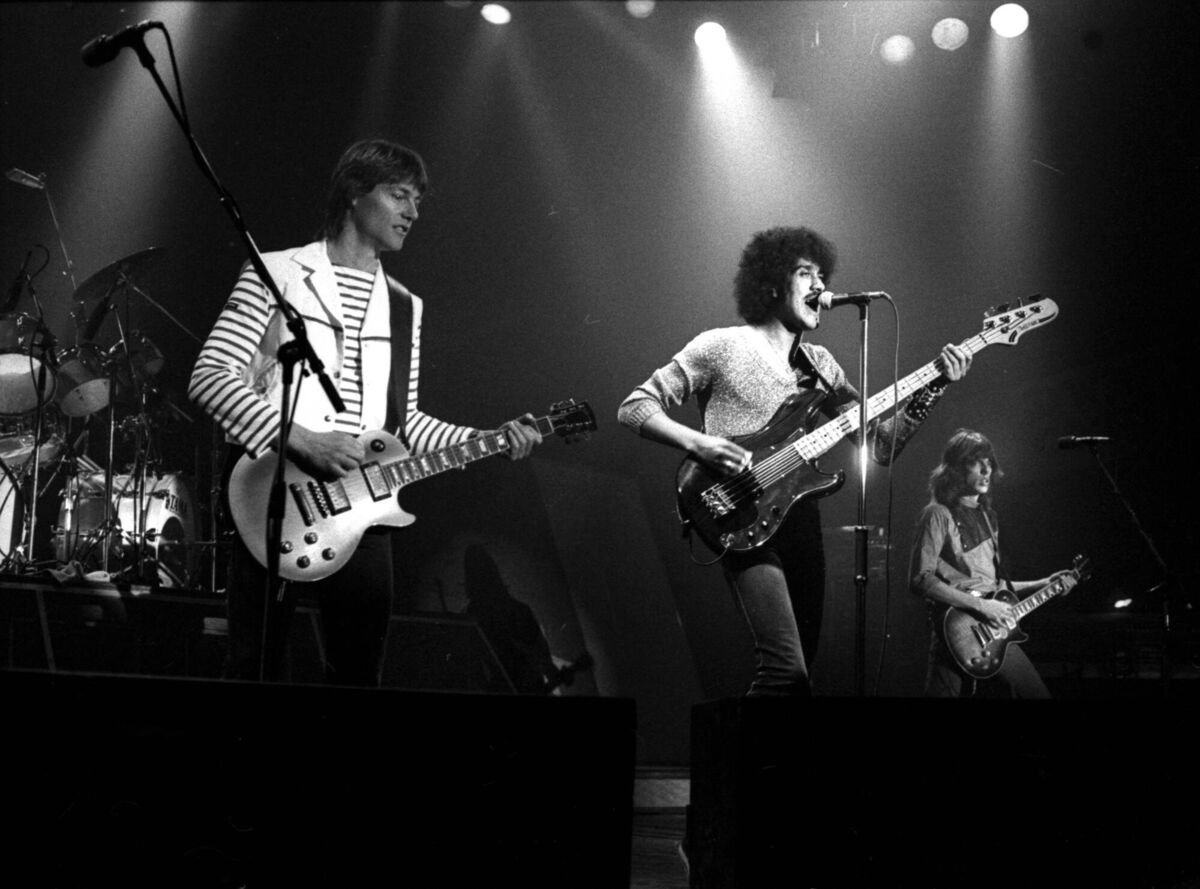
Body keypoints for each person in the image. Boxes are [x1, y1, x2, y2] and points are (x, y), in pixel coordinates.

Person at [188, 139, 542, 685]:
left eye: (417, 200)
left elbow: (406, 424)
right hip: (276, 494)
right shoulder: (276, 272)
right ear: (355, 193)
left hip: (363, 510)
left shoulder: (406, 305)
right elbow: (210, 377)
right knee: (255, 669)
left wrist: (488, 436)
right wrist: (301, 438)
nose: (413, 212)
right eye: (399, 195)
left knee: (358, 677)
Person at [616, 226, 971, 696]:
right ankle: (740, 768)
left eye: (822, 273)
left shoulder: (821, 365)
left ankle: (774, 768)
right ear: (770, 283)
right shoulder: (721, 346)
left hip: (800, 520)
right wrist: (699, 444)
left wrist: (935, 386)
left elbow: (881, 444)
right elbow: (635, 406)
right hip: (738, 510)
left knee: (802, 677)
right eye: (805, 273)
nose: (819, 285)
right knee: (786, 667)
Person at [909, 428, 1077, 698]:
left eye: (990, 463)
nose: (987, 471)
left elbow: (993, 585)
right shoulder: (937, 514)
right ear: (956, 467)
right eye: (978, 462)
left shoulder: (988, 516)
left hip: (990, 630)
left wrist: (1044, 583)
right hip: (956, 627)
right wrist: (982, 605)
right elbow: (920, 579)